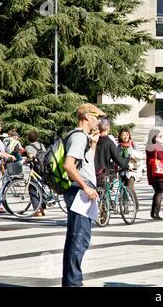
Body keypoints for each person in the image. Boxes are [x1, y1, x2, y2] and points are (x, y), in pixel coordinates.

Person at [62, 103, 105, 287]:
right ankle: (74, 283)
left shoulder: (84, 138)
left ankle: (71, 282)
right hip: (79, 191)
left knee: (76, 238)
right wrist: (85, 188)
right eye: (97, 117)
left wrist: (93, 144)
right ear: (87, 116)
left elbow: (85, 164)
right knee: (80, 239)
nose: (99, 121)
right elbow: (68, 166)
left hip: (81, 190)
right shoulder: (79, 137)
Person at [94, 117, 129, 188]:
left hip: (90, 174)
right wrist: (127, 160)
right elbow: (119, 160)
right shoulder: (109, 143)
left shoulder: (92, 140)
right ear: (108, 128)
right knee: (104, 195)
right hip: (103, 174)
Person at [146, 129, 163, 220]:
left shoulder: (149, 146)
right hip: (159, 173)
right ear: (154, 137)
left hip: (153, 173)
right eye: (160, 136)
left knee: (157, 192)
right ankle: (155, 213)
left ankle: (154, 212)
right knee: (159, 192)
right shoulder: (157, 146)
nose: (161, 138)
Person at [117, 126, 144, 212]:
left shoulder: (133, 145)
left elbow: (141, 157)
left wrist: (133, 158)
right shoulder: (119, 147)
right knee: (122, 189)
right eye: (123, 135)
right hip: (122, 170)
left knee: (129, 187)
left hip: (132, 171)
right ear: (120, 136)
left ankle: (136, 205)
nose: (125, 137)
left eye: (127, 135)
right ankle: (125, 207)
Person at [25, 130, 47, 217]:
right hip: (44, 168)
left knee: (32, 189)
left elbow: (31, 157)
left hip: (35, 169)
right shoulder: (42, 146)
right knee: (42, 188)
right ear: (37, 137)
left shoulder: (28, 147)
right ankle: (42, 208)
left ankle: (37, 211)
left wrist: (26, 161)